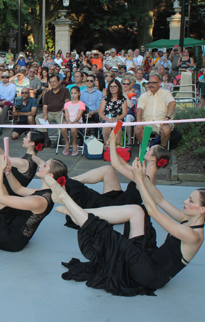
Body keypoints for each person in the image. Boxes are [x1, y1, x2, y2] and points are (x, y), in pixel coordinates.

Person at [46, 161, 205, 296]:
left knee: (114, 240)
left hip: (152, 275)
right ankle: (81, 213)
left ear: (201, 210)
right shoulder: (187, 219)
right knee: (137, 210)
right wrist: (141, 176)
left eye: (191, 200)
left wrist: (138, 180)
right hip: (149, 259)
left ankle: (69, 203)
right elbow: (160, 200)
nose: (185, 201)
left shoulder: (193, 235)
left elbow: (154, 211)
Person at [135, 75, 176, 148]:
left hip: (162, 122)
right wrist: (139, 122)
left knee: (166, 130)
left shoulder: (166, 93)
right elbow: (139, 109)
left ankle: (161, 149)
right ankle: (147, 148)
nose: (151, 85)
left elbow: (172, 103)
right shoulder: (144, 95)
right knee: (137, 130)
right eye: (150, 83)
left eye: (153, 83)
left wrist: (166, 118)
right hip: (147, 123)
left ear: (159, 83)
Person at [35, 75, 71, 147]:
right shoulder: (47, 93)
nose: (53, 83)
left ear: (59, 82)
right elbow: (45, 106)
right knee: (38, 117)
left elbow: (67, 102)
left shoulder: (65, 90)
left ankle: (59, 139)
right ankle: (46, 139)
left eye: (54, 81)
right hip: (50, 112)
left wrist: (63, 111)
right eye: (51, 82)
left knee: (61, 119)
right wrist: (45, 115)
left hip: (60, 112)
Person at [98, 79, 126, 147]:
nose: (112, 88)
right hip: (106, 119)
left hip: (118, 119)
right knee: (106, 126)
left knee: (117, 126)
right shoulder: (105, 99)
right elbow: (100, 112)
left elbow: (124, 113)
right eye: (111, 86)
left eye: (115, 86)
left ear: (118, 87)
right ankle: (107, 144)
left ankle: (118, 144)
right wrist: (107, 119)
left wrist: (116, 118)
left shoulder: (122, 99)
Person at [61, 86, 86, 156]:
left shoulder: (81, 104)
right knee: (63, 127)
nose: (73, 95)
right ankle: (67, 143)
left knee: (73, 128)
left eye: (75, 93)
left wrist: (73, 122)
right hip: (69, 120)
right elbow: (66, 114)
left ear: (79, 94)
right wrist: (68, 121)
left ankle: (74, 143)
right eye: (72, 93)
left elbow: (79, 115)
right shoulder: (67, 104)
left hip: (77, 121)